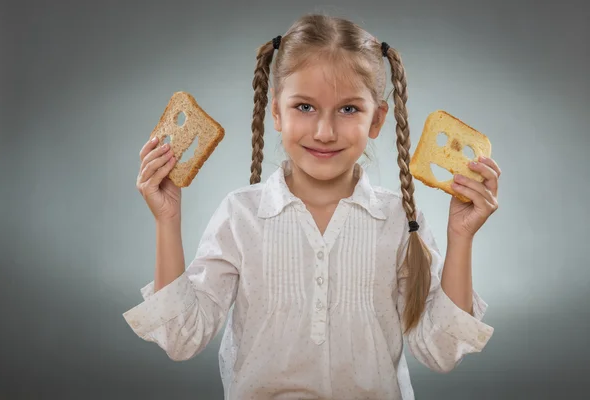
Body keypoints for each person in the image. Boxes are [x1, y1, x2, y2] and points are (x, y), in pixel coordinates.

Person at [124, 13, 501, 400]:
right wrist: (167, 220)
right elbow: (181, 337)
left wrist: (461, 236)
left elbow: (440, 352)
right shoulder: (241, 215)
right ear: (276, 112)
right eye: (304, 107)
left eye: (348, 109)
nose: (324, 131)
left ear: (378, 119)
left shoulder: (399, 221)